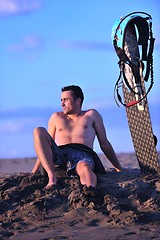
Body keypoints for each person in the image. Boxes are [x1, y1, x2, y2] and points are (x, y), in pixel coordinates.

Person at [32, 85, 122, 193]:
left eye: (66, 100)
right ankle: (52, 178)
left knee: (84, 167)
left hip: (82, 154)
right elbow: (44, 146)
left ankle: (90, 191)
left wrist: (118, 168)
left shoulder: (91, 115)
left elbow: (104, 143)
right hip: (60, 153)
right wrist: (34, 171)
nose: (62, 104)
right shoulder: (56, 117)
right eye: (61, 100)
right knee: (38, 131)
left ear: (78, 101)